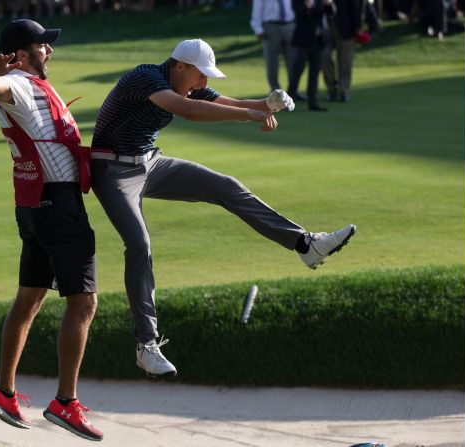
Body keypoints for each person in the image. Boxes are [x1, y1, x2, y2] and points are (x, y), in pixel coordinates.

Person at [89, 38, 356, 378]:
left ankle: (305, 244)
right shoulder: (147, 78)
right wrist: (248, 114)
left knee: (225, 186)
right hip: (113, 170)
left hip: (149, 163)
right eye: (201, 75)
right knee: (139, 244)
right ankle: (147, 345)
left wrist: (268, 103)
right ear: (180, 66)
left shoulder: (185, 86)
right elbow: (188, 111)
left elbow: (231, 103)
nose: (205, 83)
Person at [0, 19, 103, 442]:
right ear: (20, 54)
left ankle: (5, 392)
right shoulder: (16, 83)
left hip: (32, 206)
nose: (49, 51)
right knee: (83, 303)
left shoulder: (21, 82)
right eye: (42, 45)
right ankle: (66, 402)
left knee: (29, 298)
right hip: (57, 206)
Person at [250, 0, 306, 100]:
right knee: (272, 62)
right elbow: (257, 10)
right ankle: (275, 92)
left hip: (289, 25)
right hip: (271, 26)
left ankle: (293, 91)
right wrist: (258, 29)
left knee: (293, 61)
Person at [287, 0, 334, 111]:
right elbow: (300, 13)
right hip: (303, 40)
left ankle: (313, 102)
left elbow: (328, 14)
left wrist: (329, 5)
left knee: (315, 72)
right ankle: (288, 101)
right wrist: (307, 6)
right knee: (297, 70)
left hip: (318, 40)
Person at [321, 0, 362, 102]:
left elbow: (355, 7)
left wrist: (358, 27)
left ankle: (344, 90)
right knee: (324, 57)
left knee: (345, 61)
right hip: (325, 28)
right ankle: (331, 89)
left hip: (346, 28)